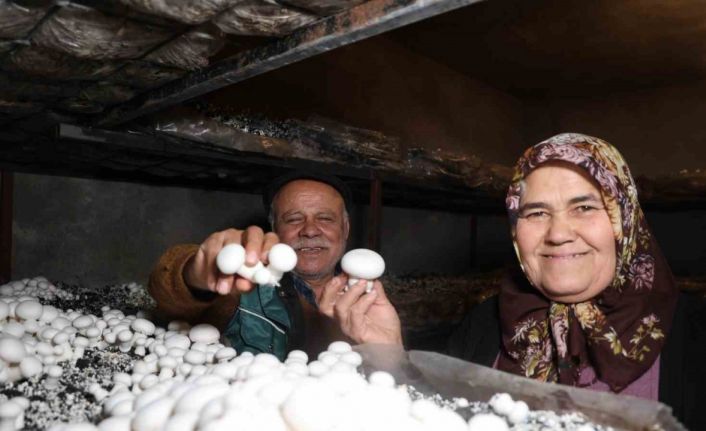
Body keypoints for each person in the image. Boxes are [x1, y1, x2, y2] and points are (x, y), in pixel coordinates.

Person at [447, 133, 706, 429]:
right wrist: (388, 358)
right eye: (537, 212)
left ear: (626, 219)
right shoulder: (482, 325)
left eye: (584, 207)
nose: (558, 234)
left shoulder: (694, 335)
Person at [149, 171, 402, 359]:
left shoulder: (368, 302)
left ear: (345, 229)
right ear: (275, 230)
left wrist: (391, 353)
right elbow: (169, 294)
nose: (311, 230)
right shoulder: (242, 289)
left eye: (325, 218)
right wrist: (196, 272)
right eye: (293, 219)